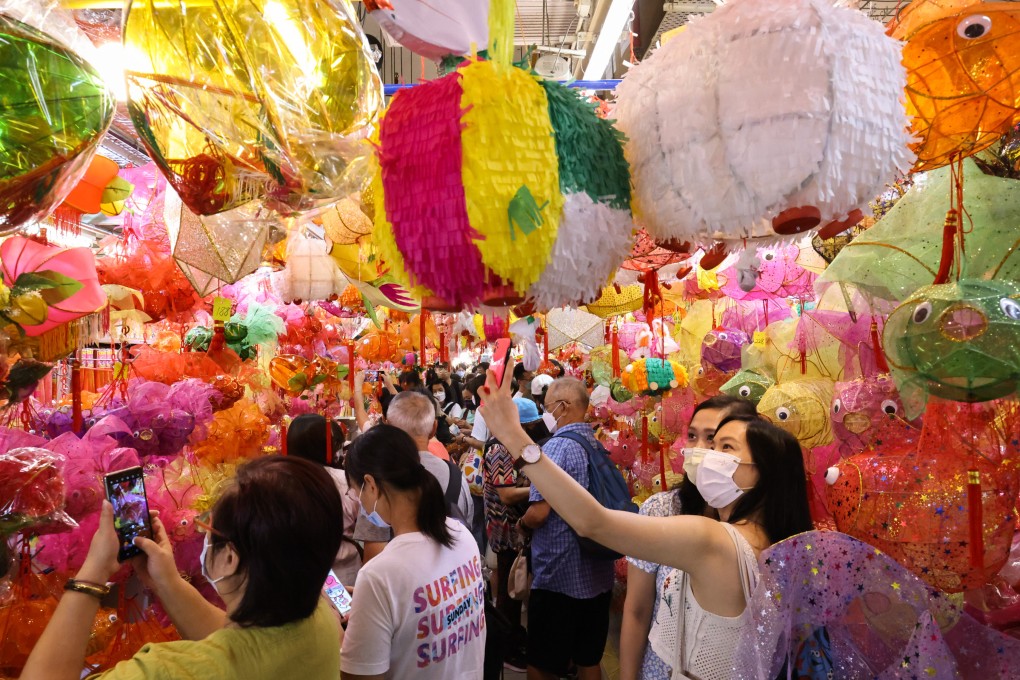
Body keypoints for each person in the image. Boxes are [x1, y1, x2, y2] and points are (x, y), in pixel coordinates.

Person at [479, 365, 814, 680]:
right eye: (695, 437)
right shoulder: (784, 540)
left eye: (722, 446)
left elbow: (593, 522)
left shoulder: (714, 538)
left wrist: (514, 437)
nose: (702, 454)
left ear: (764, 471)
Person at [21, 457, 345, 680]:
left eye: (209, 529)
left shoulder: (169, 671)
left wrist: (92, 574)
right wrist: (167, 583)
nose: (204, 535)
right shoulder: (320, 621)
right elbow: (237, 641)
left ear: (230, 558)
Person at [619, 395, 758, 680]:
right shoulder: (662, 510)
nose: (698, 449)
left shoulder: (760, 528)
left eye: (718, 441)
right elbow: (637, 609)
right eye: (692, 436)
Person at [341, 425, 486, 679]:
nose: (360, 503)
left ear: (370, 485)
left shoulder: (380, 575)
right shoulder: (461, 535)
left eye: (356, 493)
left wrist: (335, 628)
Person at [516, 377, 616, 680]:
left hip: (560, 575)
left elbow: (539, 512)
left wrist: (521, 524)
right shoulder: (596, 443)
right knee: (588, 658)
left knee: (543, 663)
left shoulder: (557, 447)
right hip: (598, 573)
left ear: (563, 407)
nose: (545, 415)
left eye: (547, 408)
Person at [482, 397, 550, 673]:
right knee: (508, 592)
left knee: (514, 588)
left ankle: (511, 637)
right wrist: (544, 487)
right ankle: (506, 648)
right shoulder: (500, 447)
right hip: (505, 527)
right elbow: (507, 494)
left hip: (516, 527)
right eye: (529, 425)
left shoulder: (517, 445)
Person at [287, 413, 364, 586]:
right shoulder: (345, 481)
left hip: (296, 578)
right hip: (345, 578)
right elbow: (367, 526)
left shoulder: (276, 481)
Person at [381, 391, 474, 526]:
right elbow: (467, 524)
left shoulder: (378, 479)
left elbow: (374, 545)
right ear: (434, 428)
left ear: (387, 426)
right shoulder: (457, 477)